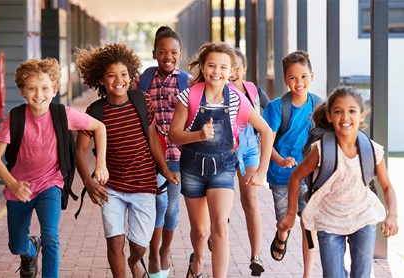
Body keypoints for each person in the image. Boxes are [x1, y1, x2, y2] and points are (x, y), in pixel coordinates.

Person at [0, 58, 109, 278]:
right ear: (23, 92)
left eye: (45, 88)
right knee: (16, 245)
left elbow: (99, 127)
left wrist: (100, 162)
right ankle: (30, 250)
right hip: (19, 188)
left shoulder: (62, 114)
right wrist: (12, 184)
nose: (39, 94)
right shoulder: (15, 118)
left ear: (54, 89)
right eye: (32, 89)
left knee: (51, 237)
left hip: (50, 184)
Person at [74, 43, 179, 278]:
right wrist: (89, 184)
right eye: (111, 76)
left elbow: (152, 138)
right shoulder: (95, 111)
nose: (118, 80)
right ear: (101, 80)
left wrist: (164, 169)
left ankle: (134, 261)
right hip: (111, 187)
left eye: (123, 74)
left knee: (139, 246)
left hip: (144, 184)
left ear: (131, 75)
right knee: (114, 242)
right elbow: (79, 150)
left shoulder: (142, 101)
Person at [169, 42, 273, 278]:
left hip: (223, 167)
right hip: (193, 167)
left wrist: (261, 171)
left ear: (232, 71)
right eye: (212, 66)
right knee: (199, 231)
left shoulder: (236, 99)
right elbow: (174, 135)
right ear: (203, 68)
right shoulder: (189, 96)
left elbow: (266, 131)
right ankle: (198, 258)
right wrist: (198, 135)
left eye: (223, 67)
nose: (217, 71)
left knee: (220, 226)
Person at [278, 86, 398, 277]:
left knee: (361, 274)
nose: (345, 117)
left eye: (352, 111)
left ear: (362, 115)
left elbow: (387, 186)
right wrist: (291, 213)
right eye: (338, 112)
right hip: (329, 220)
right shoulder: (321, 149)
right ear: (329, 116)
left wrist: (392, 215)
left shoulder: (372, 150)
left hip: (363, 219)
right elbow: (295, 177)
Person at [206, 48, 270, 276]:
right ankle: (218, 230)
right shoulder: (217, 91)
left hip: (249, 149)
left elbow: (269, 122)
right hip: (222, 151)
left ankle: (256, 255)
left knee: (250, 198)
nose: (232, 73)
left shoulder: (254, 92)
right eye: (228, 68)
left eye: (236, 68)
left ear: (244, 69)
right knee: (220, 201)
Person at [137, 26, 190, 278]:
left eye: (173, 52)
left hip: (180, 156)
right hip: (154, 155)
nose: (168, 56)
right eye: (162, 52)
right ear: (154, 53)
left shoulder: (187, 81)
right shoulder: (145, 79)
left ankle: (165, 250)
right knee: (158, 203)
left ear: (180, 54)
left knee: (171, 207)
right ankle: (154, 252)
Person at [262, 50, 319, 277]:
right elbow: (265, 142)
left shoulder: (318, 105)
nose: (299, 82)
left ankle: (307, 273)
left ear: (312, 77)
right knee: (286, 222)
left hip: (307, 175)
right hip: (281, 176)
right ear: (285, 79)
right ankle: (282, 234)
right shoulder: (276, 108)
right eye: (293, 78)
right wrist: (280, 160)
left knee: (309, 224)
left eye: (304, 76)